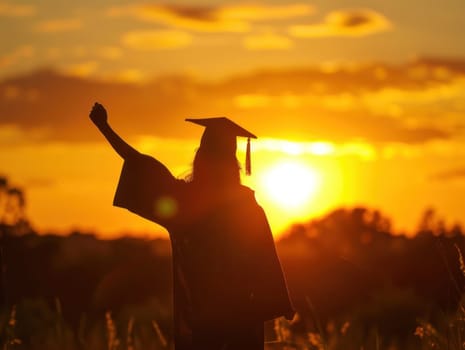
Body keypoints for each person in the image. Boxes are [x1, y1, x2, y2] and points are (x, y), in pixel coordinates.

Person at [89, 102, 294, 349]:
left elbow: (143, 167)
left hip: (201, 320)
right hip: (242, 322)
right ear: (234, 164)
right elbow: (266, 262)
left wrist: (106, 129)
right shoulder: (247, 209)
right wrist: (279, 301)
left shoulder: (186, 204)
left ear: (200, 159)